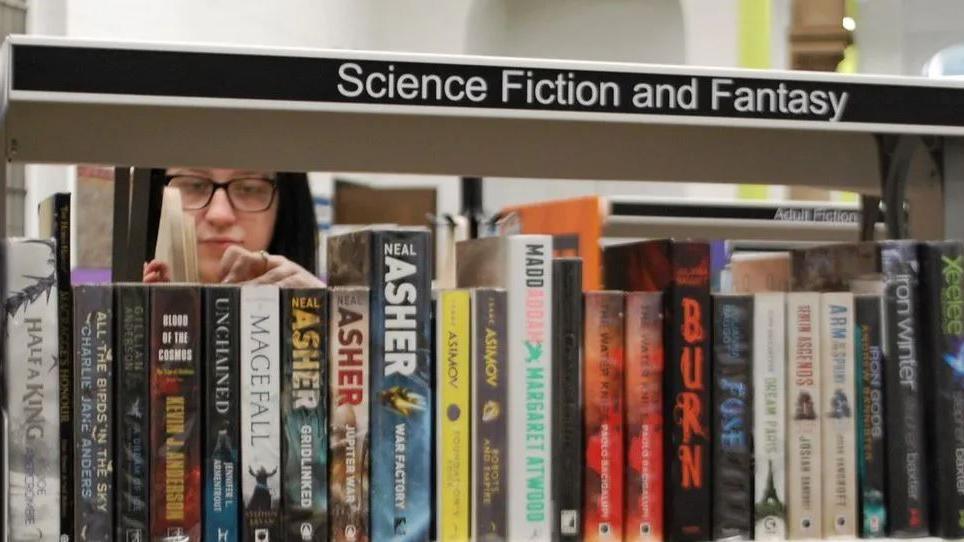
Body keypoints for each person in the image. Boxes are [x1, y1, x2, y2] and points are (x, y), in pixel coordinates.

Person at [143, 167, 324, 288]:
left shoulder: (326, 304)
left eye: (249, 188)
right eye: (194, 185)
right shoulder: (117, 314)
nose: (220, 215)